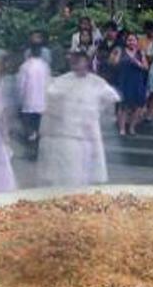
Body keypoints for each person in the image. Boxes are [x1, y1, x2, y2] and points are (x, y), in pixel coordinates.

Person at [38, 50, 116, 187]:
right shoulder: (64, 80)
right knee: (69, 168)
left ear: (86, 62)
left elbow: (111, 97)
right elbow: (51, 95)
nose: (76, 65)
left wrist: (96, 111)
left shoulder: (96, 82)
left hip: (89, 132)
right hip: (69, 132)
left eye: (79, 61)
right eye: (73, 62)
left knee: (87, 168)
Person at [15, 51, 51, 159]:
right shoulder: (45, 66)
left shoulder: (25, 66)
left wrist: (20, 100)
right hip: (42, 103)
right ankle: (37, 149)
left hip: (28, 103)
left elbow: (21, 85)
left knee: (29, 128)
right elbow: (49, 83)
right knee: (38, 127)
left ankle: (31, 150)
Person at [113, 33, 149, 137]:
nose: (131, 42)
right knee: (124, 105)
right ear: (126, 41)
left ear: (137, 42)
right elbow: (115, 64)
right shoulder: (121, 51)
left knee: (138, 105)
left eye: (133, 40)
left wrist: (138, 63)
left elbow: (146, 67)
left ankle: (132, 128)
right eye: (129, 40)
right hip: (124, 81)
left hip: (137, 82)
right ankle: (122, 128)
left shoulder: (140, 53)